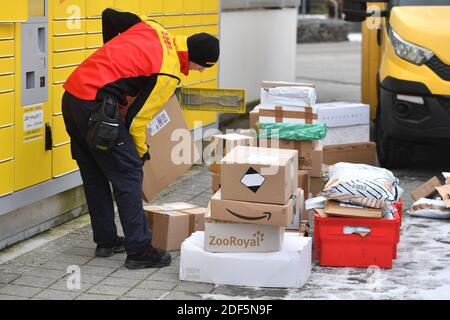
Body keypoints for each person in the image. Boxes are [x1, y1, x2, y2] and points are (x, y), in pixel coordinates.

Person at [61, 8, 220, 269]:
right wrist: (140, 150)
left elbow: (110, 15)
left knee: (94, 173)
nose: (199, 72)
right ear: (198, 60)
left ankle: (107, 240)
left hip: (73, 97)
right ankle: (139, 250)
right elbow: (137, 119)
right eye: (201, 68)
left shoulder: (155, 27)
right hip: (97, 109)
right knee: (128, 174)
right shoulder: (168, 72)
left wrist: (111, 61)